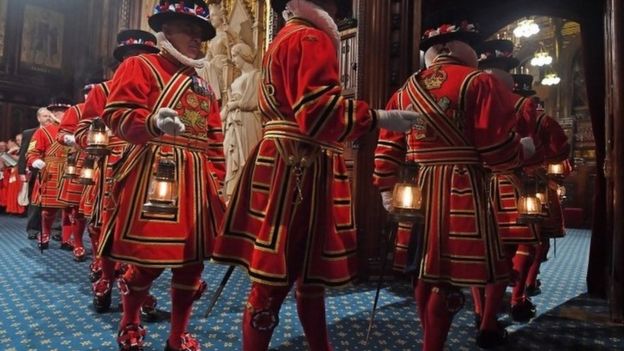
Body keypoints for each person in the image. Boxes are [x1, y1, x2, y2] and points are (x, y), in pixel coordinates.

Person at [211, 1, 419, 350]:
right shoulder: (310, 38)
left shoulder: (283, 38)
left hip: (281, 159)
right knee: (278, 278)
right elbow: (318, 114)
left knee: (297, 276)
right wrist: (378, 118)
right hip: (299, 167)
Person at [373, 12, 536, 350]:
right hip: (461, 190)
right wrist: (522, 151)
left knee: (423, 270)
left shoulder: (406, 89)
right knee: (446, 281)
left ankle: (429, 338)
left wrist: (386, 188)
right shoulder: (480, 82)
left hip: (417, 189)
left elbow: (387, 146)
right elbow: (495, 148)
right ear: (463, 49)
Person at [101, 1, 225, 350]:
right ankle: (129, 321)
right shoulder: (140, 66)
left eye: (201, 35)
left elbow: (214, 138)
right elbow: (118, 115)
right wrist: (152, 123)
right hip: (155, 175)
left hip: (198, 182)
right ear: (166, 30)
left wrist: (218, 181)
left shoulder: (203, 86)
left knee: (191, 263)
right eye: (190, 31)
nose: (197, 41)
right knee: (148, 258)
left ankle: (177, 335)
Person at [75, 29, 161, 318]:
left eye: (145, 57)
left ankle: (137, 283)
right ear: (122, 61)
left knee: (143, 230)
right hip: (110, 166)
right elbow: (81, 130)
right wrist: (97, 140)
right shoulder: (102, 91)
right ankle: (107, 277)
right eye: (131, 58)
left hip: (148, 166)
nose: (137, 63)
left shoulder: (160, 93)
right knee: (105, 226)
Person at [470, 39, 540, 324]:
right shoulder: (524, 102)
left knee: (478, 251)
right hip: (508, 181)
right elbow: (527, 145)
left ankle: (479, 310)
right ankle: (499, 312)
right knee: (512, 249)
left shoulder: (469, 92)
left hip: (472, 182)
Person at [25, 104, 73, 250]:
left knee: (70, 209)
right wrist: (35, 161)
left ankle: (67, 239)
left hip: (72, 171)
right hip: (51, 171)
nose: (61, 115)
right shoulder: (43, 132)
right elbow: (31, 152)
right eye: (57, 112)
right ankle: (44, 234)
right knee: (48, 209)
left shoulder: (75, 131)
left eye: (64, 112)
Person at [221, 42, 263, 200]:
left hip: (247, 121)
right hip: (234, 121)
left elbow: (252, 102)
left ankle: (244, 195)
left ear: (243, 55)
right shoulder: (238, 78)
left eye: (234, 56)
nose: (233, 60)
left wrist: (235, 104)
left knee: (245, 156)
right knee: (230, 155)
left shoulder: (256, 75)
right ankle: (231, 195)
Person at [57, 103, 89, 261]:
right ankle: (78, 243)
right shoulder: (76, 110)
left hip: (110, 159)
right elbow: (61, 134)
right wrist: (69, 138)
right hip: (81, 160)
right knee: (77, 207)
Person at [17, 107, 54, 239]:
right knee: (35, 202)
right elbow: (23, 154)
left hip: (54, 172)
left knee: (54, 203)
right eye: (45, 116)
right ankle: (33, 229)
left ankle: (55, 230)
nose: (48, 118)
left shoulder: (59, 132)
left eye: (50, 116)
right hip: (35, 172)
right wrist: (21, 172)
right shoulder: (29, 133)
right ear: (38, 118)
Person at [196, 2, 239, 102]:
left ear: (221, 17)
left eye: (214, 15)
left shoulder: (225, 34)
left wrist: (231, 34)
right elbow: (208, 57)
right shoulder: (212, 39)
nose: (211, 19)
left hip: (222, 65)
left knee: (207, 67)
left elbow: (233, 51)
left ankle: (213, 96)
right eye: (210, 16)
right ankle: (202, 96)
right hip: (212, 65)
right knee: (199, 68)